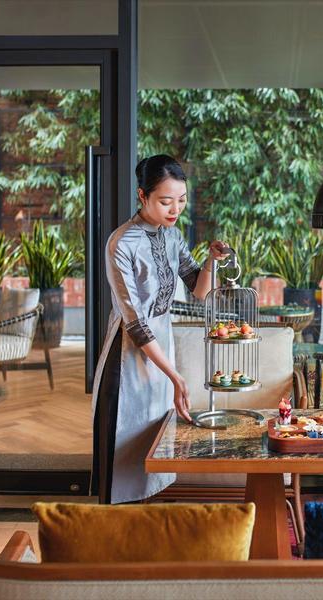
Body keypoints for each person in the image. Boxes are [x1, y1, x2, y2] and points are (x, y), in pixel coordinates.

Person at [90, 154, 228, 504]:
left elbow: (199, 290)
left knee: (153, 446)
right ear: (142, 196)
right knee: (123, 451)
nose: (175, 209)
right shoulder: (121, 243)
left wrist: (211, 260)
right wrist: (175, 376)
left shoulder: (172, 236)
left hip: (161, 350)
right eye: (166, 201)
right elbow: (134, 323)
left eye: (181, 200)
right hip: (127, 359)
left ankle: (148, 529)